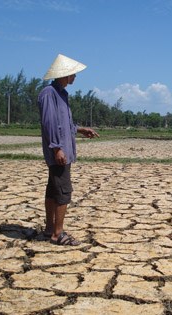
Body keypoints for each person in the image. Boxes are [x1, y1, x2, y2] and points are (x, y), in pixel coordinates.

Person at [38, 54, 99, 246]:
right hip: (59, 154)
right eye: (73, 73)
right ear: (64, 74)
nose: (75, 77)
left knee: (53, 191)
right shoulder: (49, 94)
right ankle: (58, 233)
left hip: (63, 152)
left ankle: (49, 229)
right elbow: (49, 124)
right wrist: (57, 149)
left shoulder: (62, 94)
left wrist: (80, 130)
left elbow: (64, 125)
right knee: (63, 192)